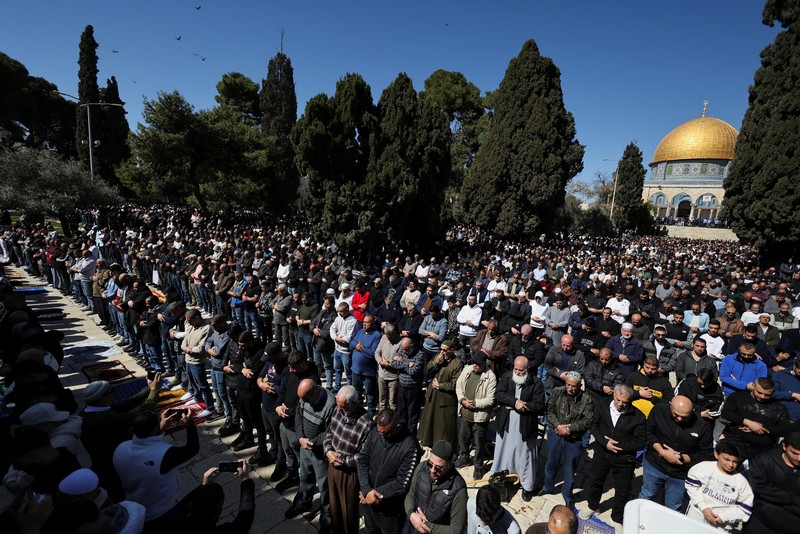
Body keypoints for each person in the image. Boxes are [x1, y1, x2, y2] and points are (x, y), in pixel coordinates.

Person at [112, 409, 199, 527]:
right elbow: (192, 449)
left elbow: (148, 443)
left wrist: (159, 429)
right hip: (160, 511)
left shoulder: (121, 448)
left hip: (133, 503)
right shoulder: (164, 454)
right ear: (154, 429)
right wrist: (189, 423)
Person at [580, 384, 647, 526]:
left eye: (625, 402)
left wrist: (620, 447)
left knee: (623, 490)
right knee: (595, 481)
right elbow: (594, 426)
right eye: (618, 400)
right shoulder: (601, 404)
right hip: (602, 453)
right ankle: (592, 506)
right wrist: (605, 442)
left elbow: (641, 441)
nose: (621, 404)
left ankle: (617, 516)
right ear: (613, 395)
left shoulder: (638, 417)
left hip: (623, 459)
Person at [638, 396, 714, 511]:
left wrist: (682, 458)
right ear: (670, 406)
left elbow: (706, 455)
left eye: (684, 417)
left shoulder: (703, 426)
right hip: (654, 465)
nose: (679, 419)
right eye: (676, 414)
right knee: (646, 496)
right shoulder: (659, 410)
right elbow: (647, 432)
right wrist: (662, 452)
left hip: (680, 474)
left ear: (693, 412)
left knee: (673, 507)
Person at [357, 409, 420, 534]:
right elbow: (362, 460)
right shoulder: (375, 431)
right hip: (368, 503)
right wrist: (366, 490)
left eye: (385, 433)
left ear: (397, 427)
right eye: (379, 432)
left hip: (390, 511)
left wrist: (375, 495)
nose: (381, 436)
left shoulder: (410, 446)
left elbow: (402, 482)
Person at [492, 356, 545, 501]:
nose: (517, 372)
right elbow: (498, 393)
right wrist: (514, 402)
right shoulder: (507, 377)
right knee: (504, 452)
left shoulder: (536, 383)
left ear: (527, 369)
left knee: (525, 457)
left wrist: (523, 406)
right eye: (515, 369)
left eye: (521, 370)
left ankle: (527, 486)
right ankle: (502, 477)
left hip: (525, 426)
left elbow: (539, 405)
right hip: (507, 423)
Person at [286, 379, 336, 533]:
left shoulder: (330, 405)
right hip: (305, 446)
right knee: (305, 477)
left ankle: (327, 518)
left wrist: (313, 442)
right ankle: (304, 502)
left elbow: (330, 432)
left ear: (314, 392)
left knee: (324, 487)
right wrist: (300, 437)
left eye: (305, 398)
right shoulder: (304, 399)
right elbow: (298, 416)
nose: (302, 401)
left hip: (319, 452)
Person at [323, 386, 373, 534]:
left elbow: (364, 455)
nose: (338, 409)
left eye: (342, 406)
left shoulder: (367, 422)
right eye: (338, 405)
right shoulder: (337, 409)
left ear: (354, 403)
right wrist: (328, 451)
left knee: (349, 511)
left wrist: (344, 460)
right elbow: (329, 434)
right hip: (333, 467)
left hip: (350, 474)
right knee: (334, 506)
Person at [539, 371, 593, 508]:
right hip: (555, 434)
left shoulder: (587, 399)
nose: (570, 388)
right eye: (568, 385)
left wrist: (570, 428)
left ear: (580, 386)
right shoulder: (557, 392)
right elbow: (549, 411)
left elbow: (588, 421)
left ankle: (567, 495)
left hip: (573, 439)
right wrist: (558, 426)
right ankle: (548, 486)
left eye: (574, 386)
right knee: (551, 462)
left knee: (570, 469)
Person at [685, 440, 753, 532]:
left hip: (721, 525)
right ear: (716, 454)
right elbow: (691, 486)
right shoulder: (703, 468)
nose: (731, 465)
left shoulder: (741, 482)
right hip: (697, 515)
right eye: (727, 459)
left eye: (735, 461)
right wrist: (703, 507)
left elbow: (745, 508)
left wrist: (724, 517)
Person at [720, 377, 791, 460]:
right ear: (753, 386)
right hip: (735, 443)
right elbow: (726, 413)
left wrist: (759, 428)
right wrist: (748, 422)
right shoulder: (738, 397)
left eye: (767, 395)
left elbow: (785, 430)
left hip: (764, 449)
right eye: (759, 392)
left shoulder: (779, 408)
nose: (762, 396)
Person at [405, 440, 467, 534]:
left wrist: (424, 525)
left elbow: (456, 530)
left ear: (450, 465)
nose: (432, 470)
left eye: (439, 467)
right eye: (430, 464)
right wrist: (411, 514)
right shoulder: (421, 468)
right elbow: (411, 495)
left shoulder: (458, 489)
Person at [744, 431, 800, 533]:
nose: (799, 458)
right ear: (784, 446)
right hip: (761, 522)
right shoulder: (765, 459)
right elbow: (757, 487)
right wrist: (791, 499)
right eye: (795, 453)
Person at [455, 352, 497, 480]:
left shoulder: (490, 377)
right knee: (463, 437)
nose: (475, 366)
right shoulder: (467, 369)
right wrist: (462, 400)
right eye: (474, 363)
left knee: (479, 443)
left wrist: (473, 403)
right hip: (465, 413)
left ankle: (478, 465)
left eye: (478, 364)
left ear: (485, 364)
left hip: (479, 417)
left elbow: (490, 399)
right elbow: (459, 385)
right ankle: (464, 457)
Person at [418, 339, 465, 449]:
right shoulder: (438, 357)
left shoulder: (458, 363)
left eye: (445, 350)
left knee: (443, 425)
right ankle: (428, 441)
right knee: (430, 419)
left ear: (451, 350)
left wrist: (440, 385)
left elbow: (455, 384)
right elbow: (427, 370)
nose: (442, 352)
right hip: (433, 395)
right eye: (441, 349)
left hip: (446, 398)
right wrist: (436, 363)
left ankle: (442, 447)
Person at [349, 313, 381, 414]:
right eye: (363, 322)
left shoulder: (377, 335)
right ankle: (358, 411)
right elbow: (351, 343)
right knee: (357, 392)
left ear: (372, 323)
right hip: (355, 370)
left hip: (368, 372)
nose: (364, 324)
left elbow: (372, 353)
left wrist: (359, 348)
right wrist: (356, 345)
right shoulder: (360, 331)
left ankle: (371, 412)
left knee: (370, 393)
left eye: (367, 323)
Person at [330, 302, 358, 392]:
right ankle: (337, 386)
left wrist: (338, 337)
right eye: (338, 311)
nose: (339, 313)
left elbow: (348, 338)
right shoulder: (338, 318)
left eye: (341, 311)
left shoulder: (353, 321)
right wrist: (336, 337)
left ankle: (348, 390)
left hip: (346, 352)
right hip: (337, 349)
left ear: (347, 310)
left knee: (348, 373)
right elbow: (332, 329)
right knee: (337, 369)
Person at [375, 323, 402, 410]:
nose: (388, 338)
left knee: (392, 402)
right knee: (382, 400)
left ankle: (392, 419)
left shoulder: (400, 343)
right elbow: (377, 352)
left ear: (395, 334)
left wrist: (388, 362)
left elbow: (400, 360)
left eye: (390, 336)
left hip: (393, 377)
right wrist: (381, 361)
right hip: (382, 375)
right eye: (387, 336)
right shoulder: (384, 338)